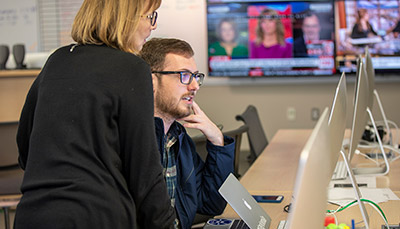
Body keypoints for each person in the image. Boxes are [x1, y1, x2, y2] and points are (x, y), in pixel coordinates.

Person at [14, 0, 176, 228]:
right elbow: (144, 173)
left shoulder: (57, 60)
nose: (153, 26)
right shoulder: (132, 68)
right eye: (150, 16)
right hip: (96, 215)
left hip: (34, 215)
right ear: (126, 19)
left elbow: (25, 150)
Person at [139, 38, 235, 229]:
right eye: (184, 75)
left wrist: (217, 141)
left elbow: (211, 204)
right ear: (151, 81)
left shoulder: (178, 138)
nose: (195, 86)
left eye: (195, 76)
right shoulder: (134, 141)